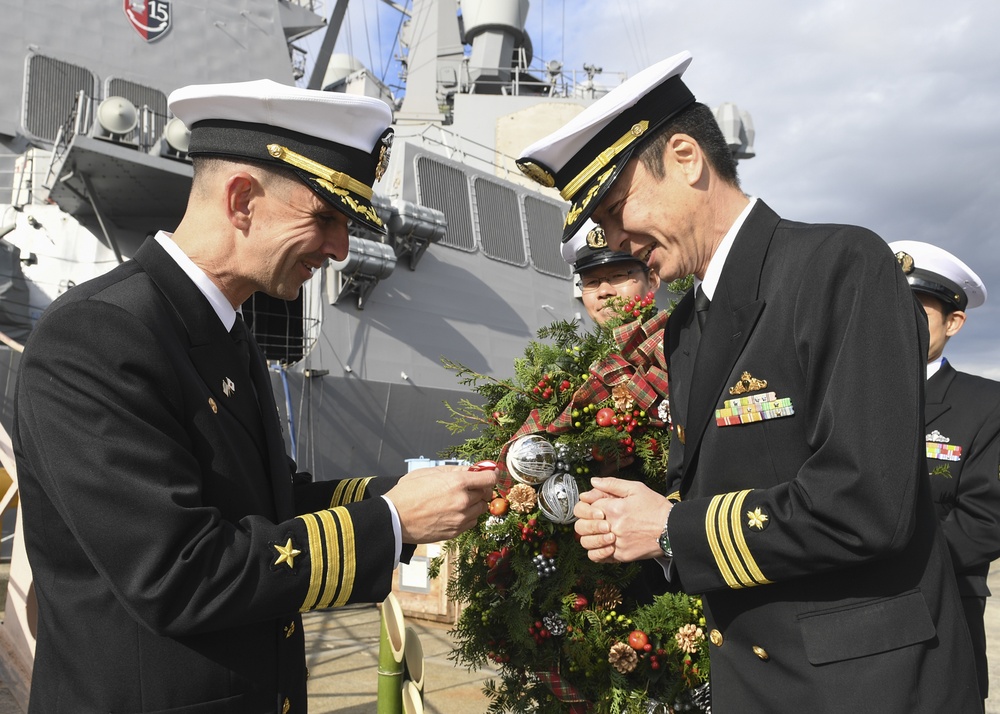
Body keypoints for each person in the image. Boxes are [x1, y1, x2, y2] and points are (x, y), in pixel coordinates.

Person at [12, 79, 497, 714]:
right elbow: (177, 573)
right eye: (324, 218)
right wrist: (393, 521)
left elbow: (270, 505)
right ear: (242, 199)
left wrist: (411, 496)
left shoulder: (224, 331)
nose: (340, 249)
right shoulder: (97, 335)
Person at [515, 51, 980, 712]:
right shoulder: (686, 328)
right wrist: (632, 523)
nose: (616, 237)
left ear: (685, 157)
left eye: (617, 206)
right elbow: (721, 496)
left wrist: (672, 530)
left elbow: (867, 506)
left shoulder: (841, 268)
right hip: (755, 684)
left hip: (860, 688)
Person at [889, 239, 1000, 704]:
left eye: (916, 309)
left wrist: (879, 561)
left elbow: (986, 519)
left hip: (940, 610)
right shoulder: (837, 395)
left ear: (954, 322)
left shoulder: (986, 404)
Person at [562, 219, 661, 325]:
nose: (604, 292)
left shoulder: (677, 340)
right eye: (591, 282)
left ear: (652, 280)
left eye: (618, 276)